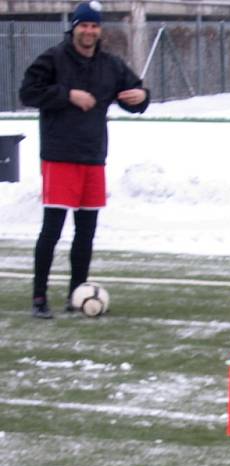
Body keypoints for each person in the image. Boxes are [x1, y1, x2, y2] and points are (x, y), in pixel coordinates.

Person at [19, 1, 149, 319]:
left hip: (94, 157)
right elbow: (27, 93)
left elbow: (135, 93)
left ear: (99, 29)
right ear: (74, 27)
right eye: (83, 25)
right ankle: (39, 298)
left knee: (86, 231)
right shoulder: (52, 59)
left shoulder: (109, 64)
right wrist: (67, 95)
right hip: (60, 155)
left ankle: (76, 294)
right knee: (52, 230)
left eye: (94, 26)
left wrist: (142, 97)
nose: (89, 31)